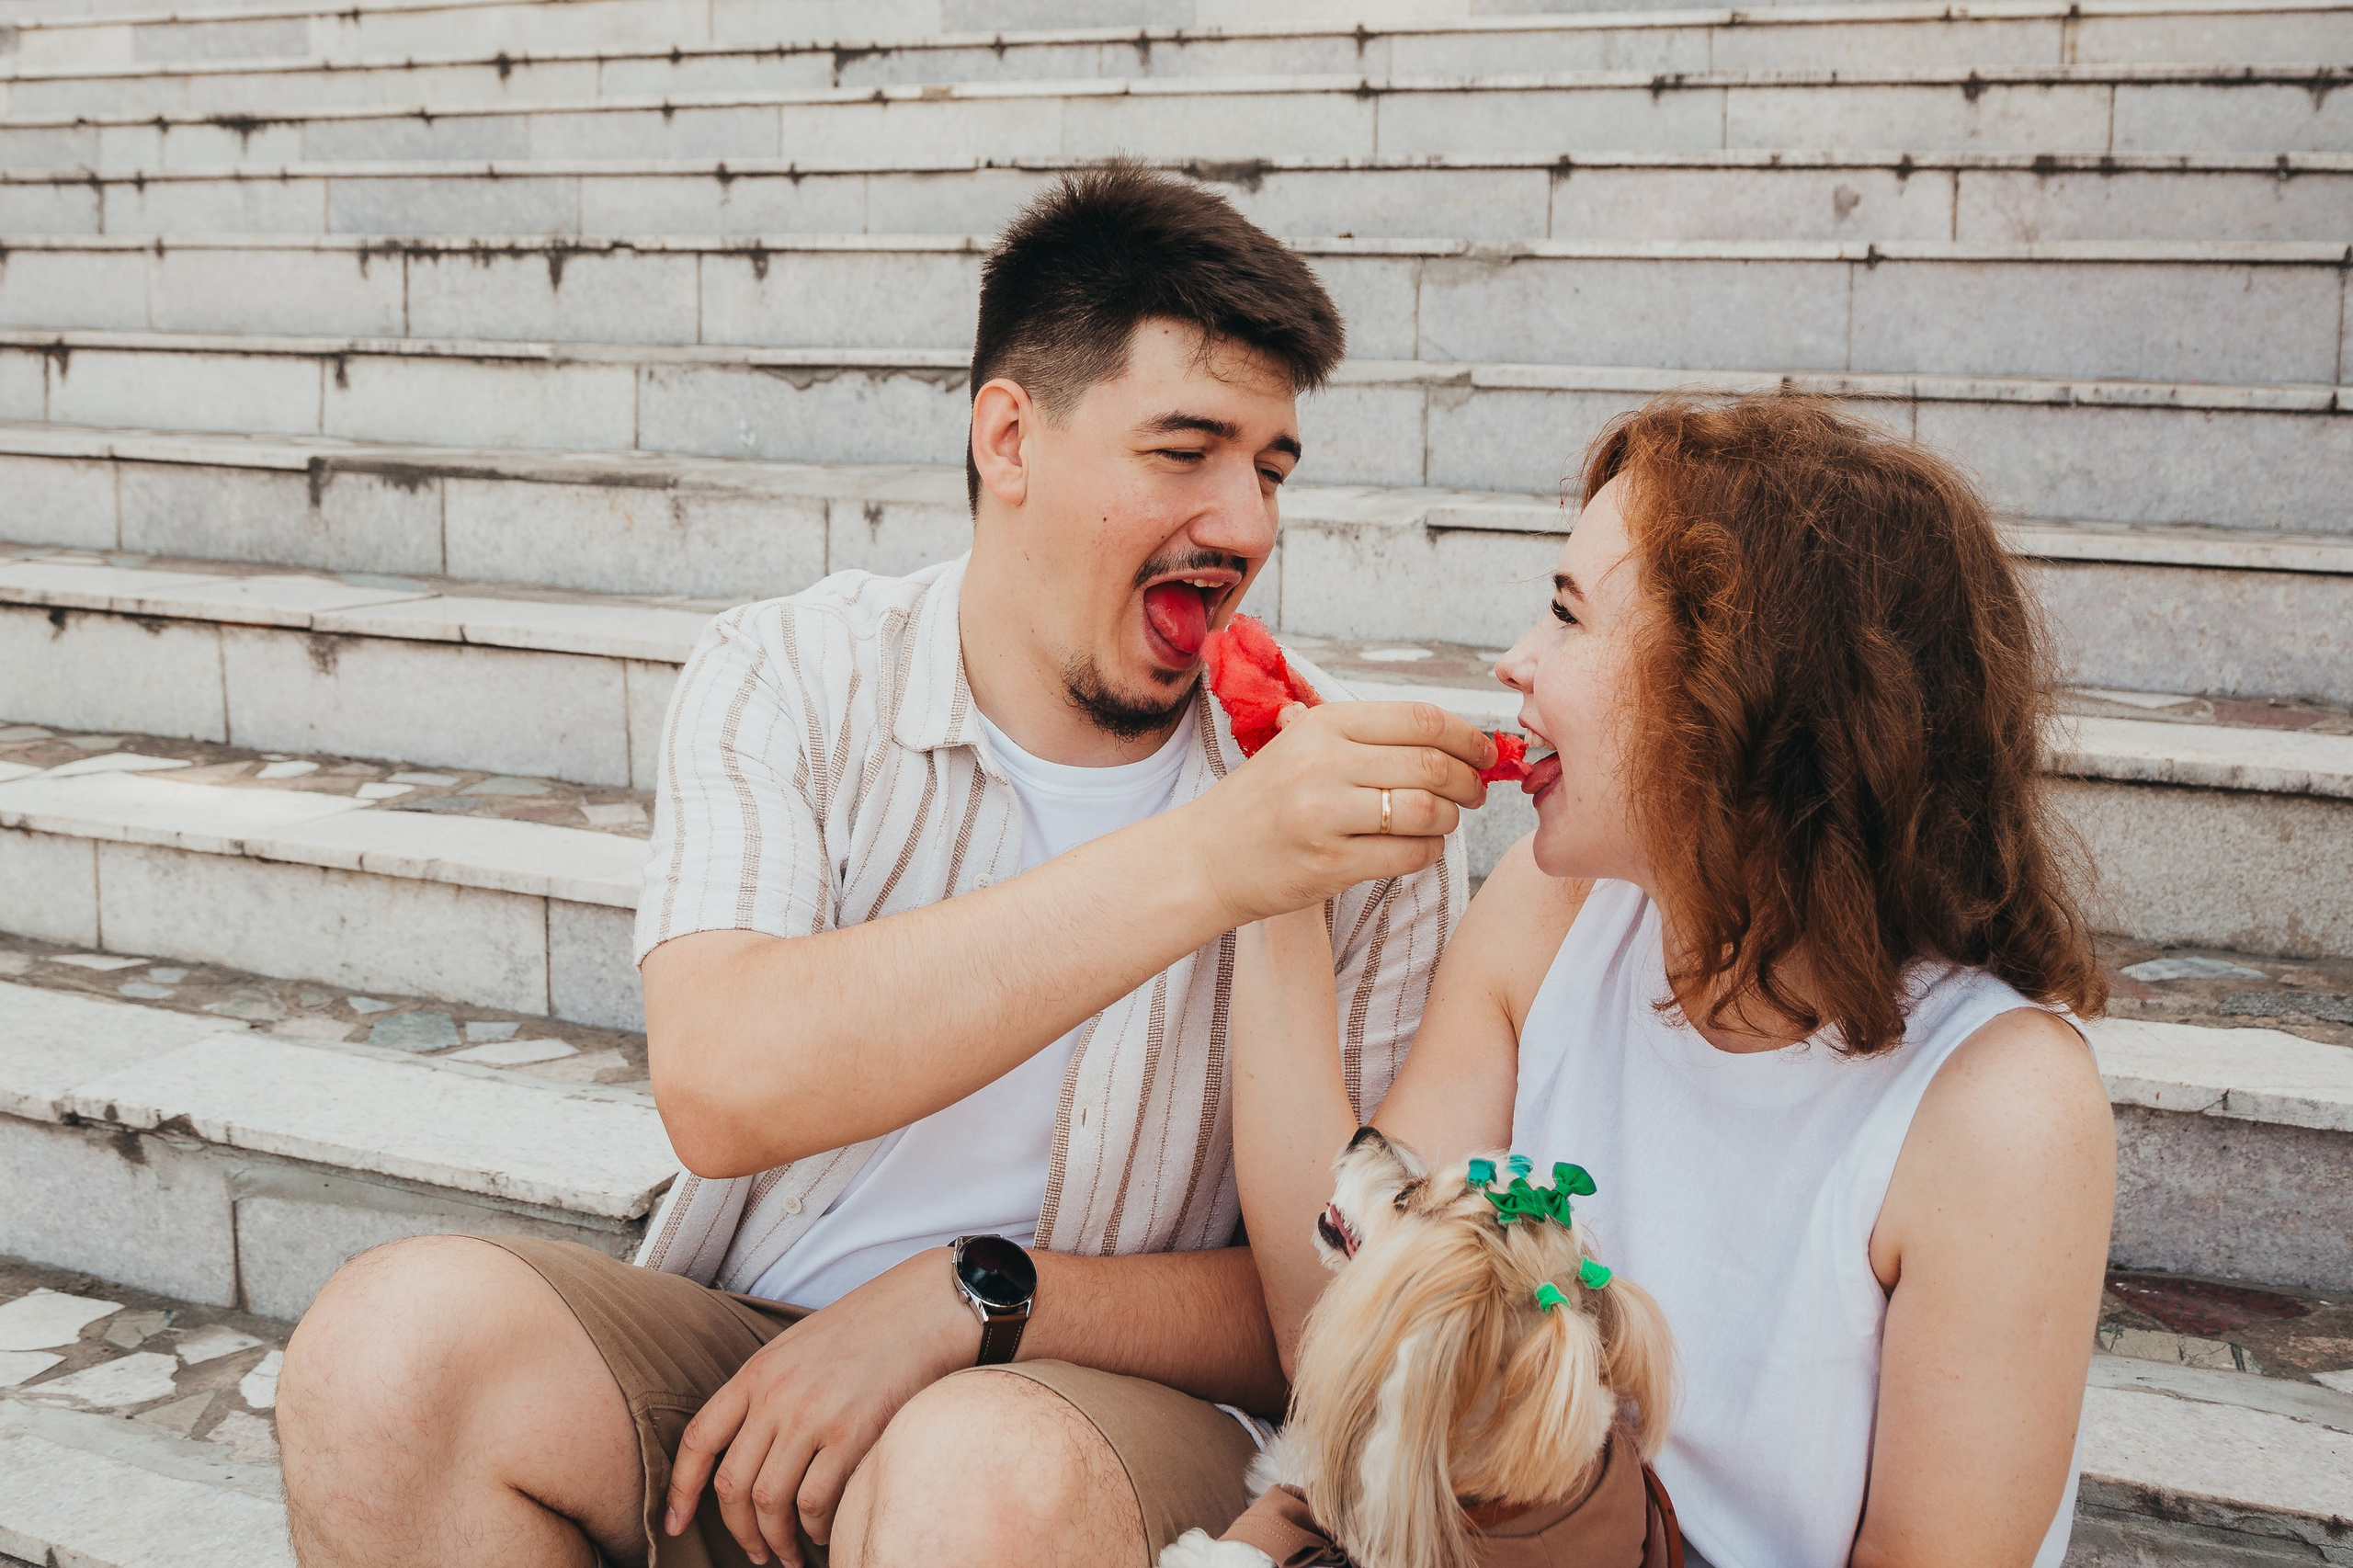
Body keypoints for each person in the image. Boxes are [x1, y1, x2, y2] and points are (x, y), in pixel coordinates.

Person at [275, 165, 1506, 1568]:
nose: (1246, 524)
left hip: (1118, 1414)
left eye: (1271, 468)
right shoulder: (792, 673)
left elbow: (1340, 1312)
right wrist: (1208, 861)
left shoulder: (1340, 798)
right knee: (387, 1356)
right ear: (1009, 438)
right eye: (1186, 450)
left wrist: (977, 1297)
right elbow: (723, 1080)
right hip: (754, 1348)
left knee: (973, 1469)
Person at [1228, 392, 2116, 1568]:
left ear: (1738, 697)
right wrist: (1279, 881)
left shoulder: (2004, 1109)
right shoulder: (1558, 914)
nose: (1515, 663)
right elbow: (1336, 1321)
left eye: (1566, 616)